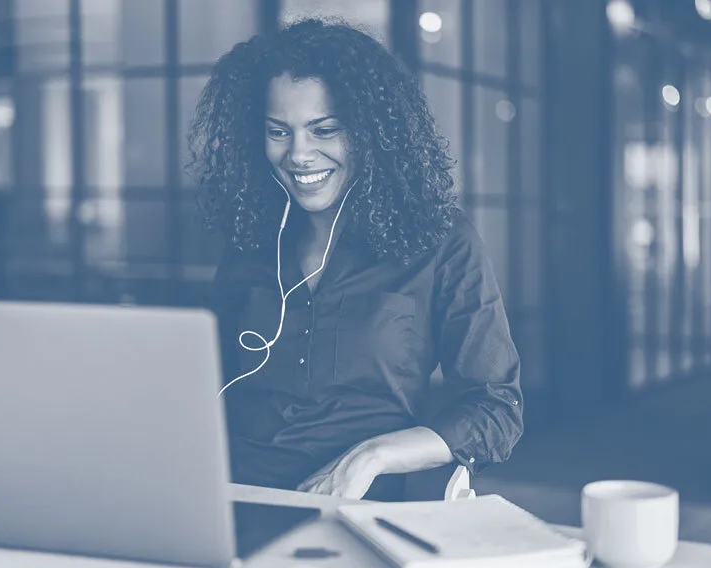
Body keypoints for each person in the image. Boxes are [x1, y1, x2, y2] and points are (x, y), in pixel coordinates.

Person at [188, 18, 523, 500]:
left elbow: (496, 411)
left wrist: (373, 456)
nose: (299, 154)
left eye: (325, 130)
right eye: (278, 131)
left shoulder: (440, 240)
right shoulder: (253, 240)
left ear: (370, 132)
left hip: (360, 511)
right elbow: (201, 381)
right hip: (234, 499)